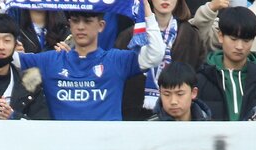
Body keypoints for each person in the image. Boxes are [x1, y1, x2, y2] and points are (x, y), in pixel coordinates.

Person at [17, 0, 168, 122]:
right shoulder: (50, 60)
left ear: (101, 26)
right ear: (70, 24)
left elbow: (155, 54)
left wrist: (146, 9)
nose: (81, 27)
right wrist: (9, 41)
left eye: (87, 21)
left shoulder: (116, 60)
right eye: (75, 21)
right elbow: (3, 57)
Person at [194, 6, 256, 120]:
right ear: (220, 36)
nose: (239, 47)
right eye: (233, 39)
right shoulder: (201, 81)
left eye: (246, 40)